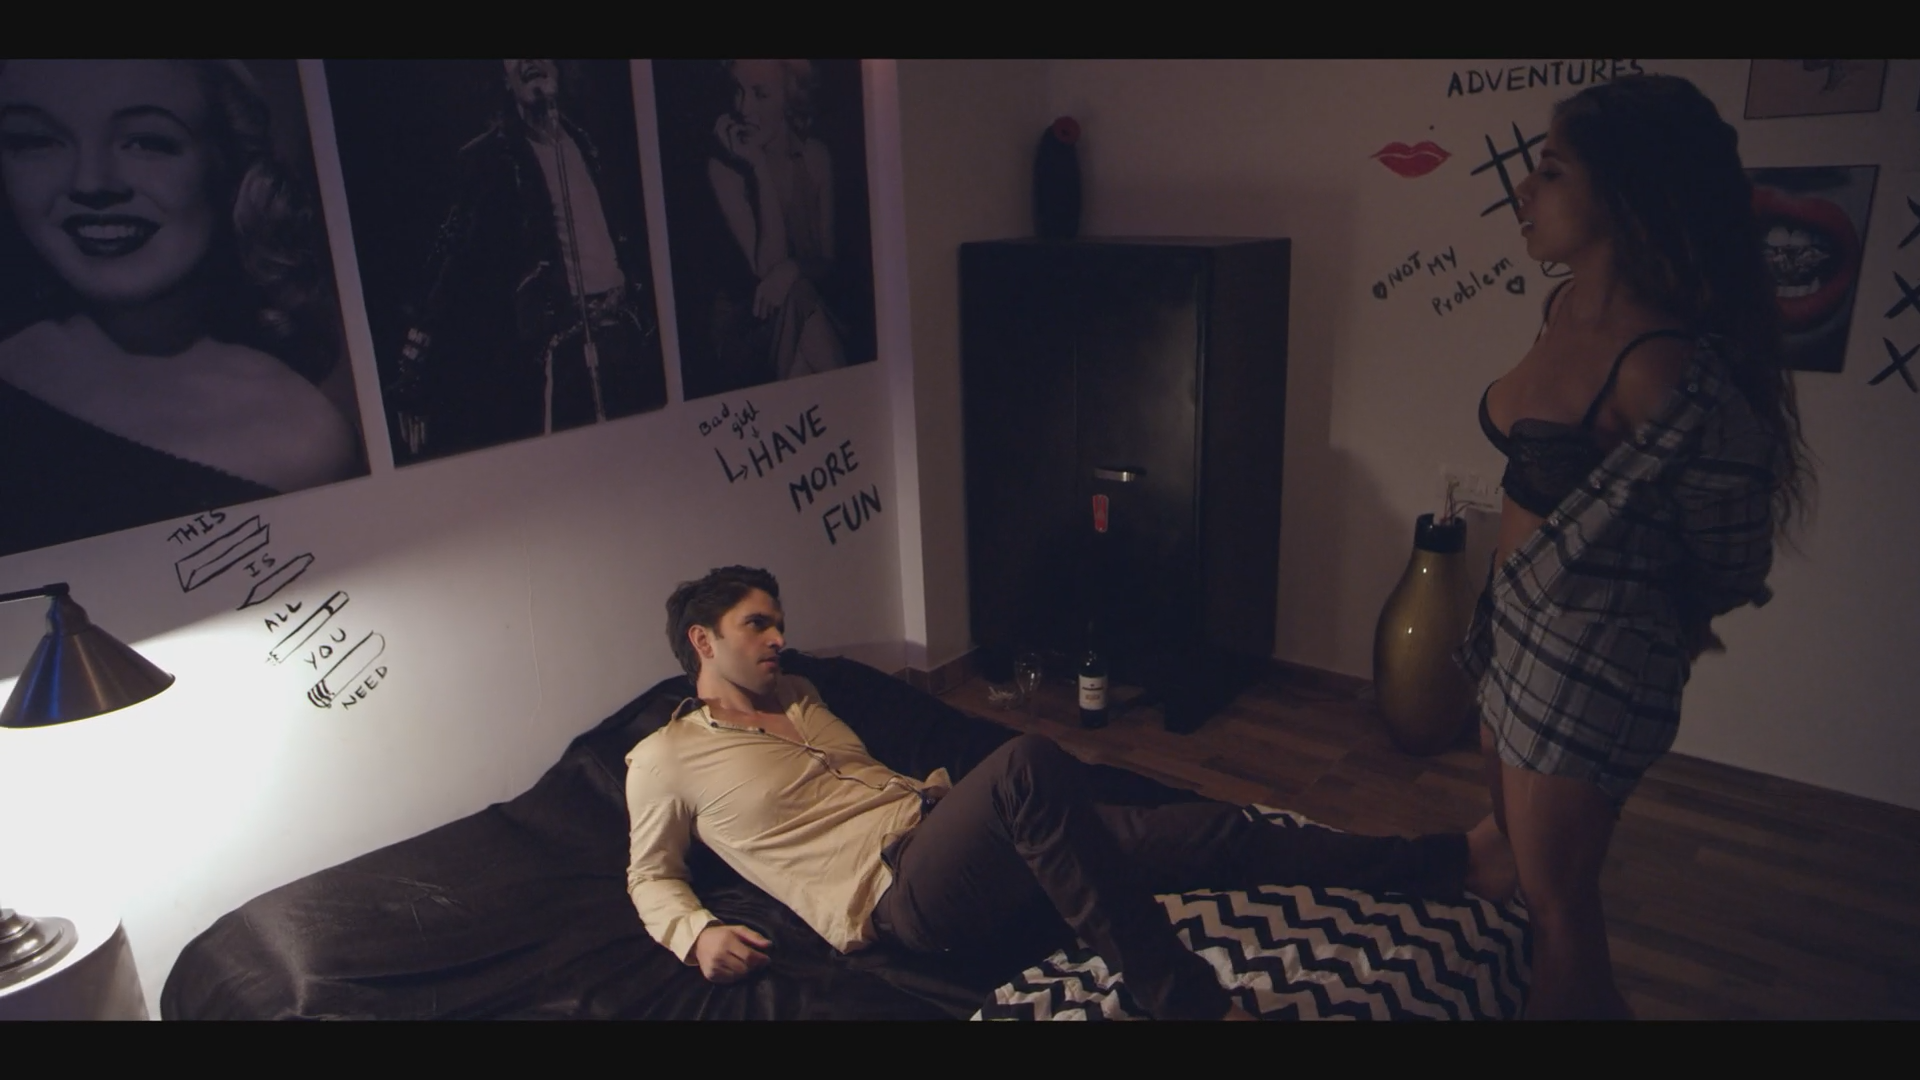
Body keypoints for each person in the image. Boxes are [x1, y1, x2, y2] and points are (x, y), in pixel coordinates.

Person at [627, 566, 1517, 1021]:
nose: (779, 638)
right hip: (894, 893)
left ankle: (1448, 863)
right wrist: (696, 933)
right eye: (757, 624)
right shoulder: (665, 758)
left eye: (780, 622)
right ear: (703, 641)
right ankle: (1188, 1005)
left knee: (1212, 833)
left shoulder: (801, 694)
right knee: (1025, 762)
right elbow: (649, 874)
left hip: (957, 833)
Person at [1458, 74, 1811, 1019]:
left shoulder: (1667, 370)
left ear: (1625, 195)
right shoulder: (1562, 306)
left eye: (1550, 171)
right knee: (1514, 862)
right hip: (1514, 628)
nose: (1523, 191)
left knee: (1559, 908)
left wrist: (1668, 620)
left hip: (1589, 659)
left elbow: (1733, 550)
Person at [0, 59, 360, 558]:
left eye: (147, 141)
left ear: (228, 162)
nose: (91, 182)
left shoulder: (304, 441)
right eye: (36, 140)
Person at [388, 59, 664, 461]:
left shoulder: (591, 143)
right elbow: (449, 263)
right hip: (558, 357)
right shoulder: (489, 159)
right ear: (502, 76)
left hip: (627, 337)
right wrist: (412, 372)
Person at [705, 59, 847, 384]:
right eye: (738, 91)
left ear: (790, 97)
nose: (743, 108)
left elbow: (828, 264)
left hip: (810, 311)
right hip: (746, 326)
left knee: (801, 303)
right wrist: (759, 169)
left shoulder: (815, 158)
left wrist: (793, 269)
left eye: (761, 94)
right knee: (800, 299)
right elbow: (768, 270)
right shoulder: (723, 169)